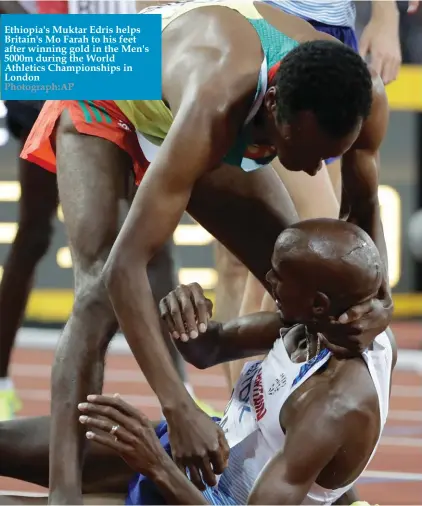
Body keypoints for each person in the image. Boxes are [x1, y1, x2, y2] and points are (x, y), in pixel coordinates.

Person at [21, 1, 392, 502]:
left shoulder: (366, 100)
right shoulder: (217, 102)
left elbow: (363, 230)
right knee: (97, 293)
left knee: (310, 282)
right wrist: (178, 407)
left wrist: (379, 302)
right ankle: (64, 493)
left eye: (327, 155)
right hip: (114, 72)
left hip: (193, 96)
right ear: (276, 106)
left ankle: (320, 477)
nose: (308, 170)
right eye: (300, 151)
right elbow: (125, 267)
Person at [0, 219, 395, 506]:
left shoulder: (328, 407)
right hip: (200, 459)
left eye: (280, 275)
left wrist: (155, 466)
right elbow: (210, 348)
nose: (268, 278)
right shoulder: (314, 323)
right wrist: (186, 318)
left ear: (319, 302)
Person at [0, 0, 217, 422]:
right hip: (59, 54)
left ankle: (179, 394)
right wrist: (49, 44)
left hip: (131, 57)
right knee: (35, 233)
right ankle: (2, 381)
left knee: (152, 237)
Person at [224, 0, 420, 390]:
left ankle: (243, 418)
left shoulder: (368, 93)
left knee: (278, 259)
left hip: (332, 29)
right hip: (266, 27)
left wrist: (385, 16)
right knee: (312, 248)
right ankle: (241, 418)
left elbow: (364, 207)